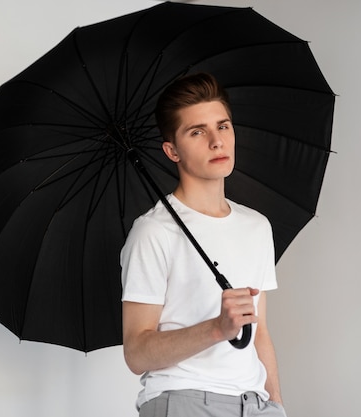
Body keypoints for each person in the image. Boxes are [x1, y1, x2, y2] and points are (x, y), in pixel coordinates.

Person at [120, 73, 286, 417]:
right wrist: (216, 328)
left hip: (255, 405)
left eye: (223, 126)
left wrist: (277, 404)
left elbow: (260, 333)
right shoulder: (153, 232)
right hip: (185, 402)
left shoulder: (257, 226)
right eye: (197, 132)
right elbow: (136, 353)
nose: (216, 141)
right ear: (172, 150)